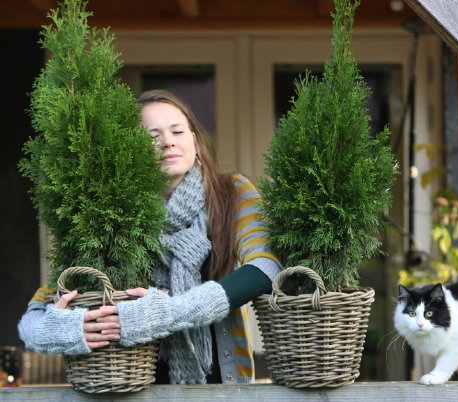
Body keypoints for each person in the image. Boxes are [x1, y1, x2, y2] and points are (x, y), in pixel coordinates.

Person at [18, 89, 283, 385]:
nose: (167, 141)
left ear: (195, 139)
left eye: (178, 130)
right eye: (152, 135)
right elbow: (40, 308)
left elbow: (266, 267)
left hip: (221, 385)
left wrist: (170, 312)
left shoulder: (232, 193)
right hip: (133, 386)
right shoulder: (113, 215)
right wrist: (59, 331)